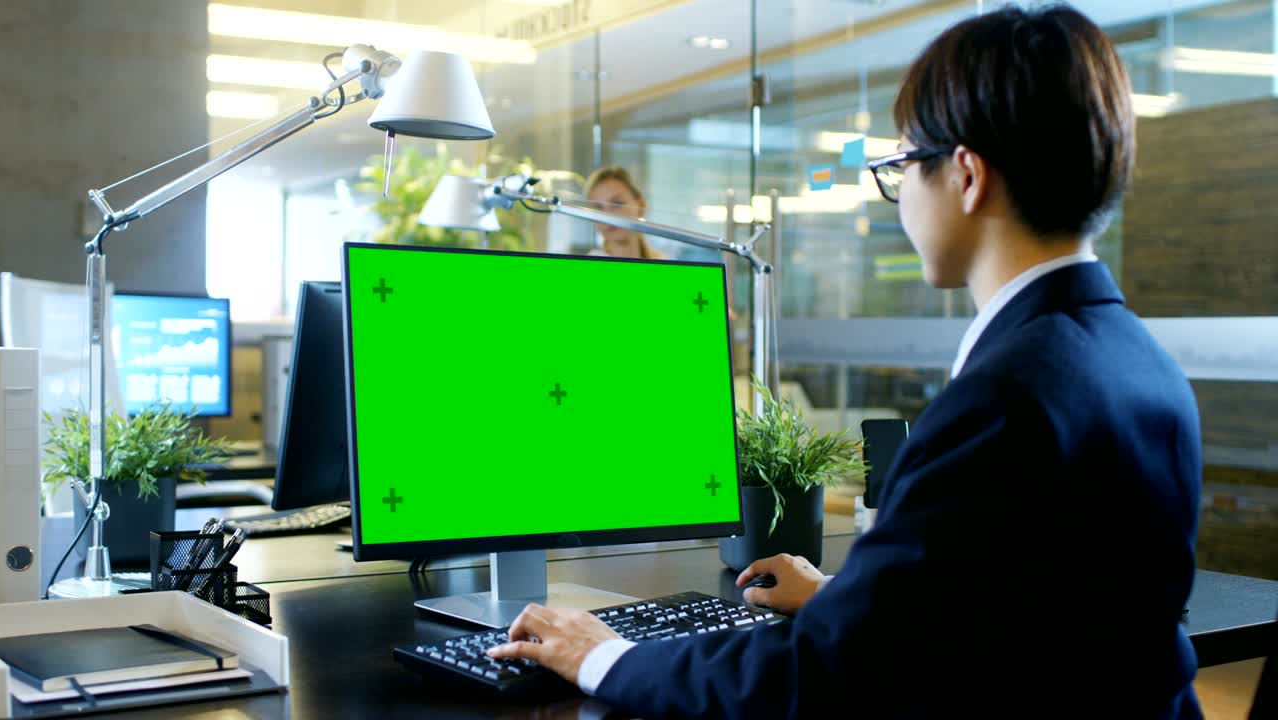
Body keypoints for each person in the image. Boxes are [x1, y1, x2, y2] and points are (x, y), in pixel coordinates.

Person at [489, 5, 1203, 718]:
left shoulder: (1008, 397)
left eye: (900, 168)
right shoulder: (1143, 366)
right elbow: (1034, 614)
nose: (898, 199)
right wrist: (850, 601)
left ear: (965, 176)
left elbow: (823, 679)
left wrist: (604, 656)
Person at [582, 166, 665, 259]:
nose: (608, 215)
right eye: (599, 208)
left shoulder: (664, 265)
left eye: (617, 203)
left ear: (641, 205)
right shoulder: (589, 266)